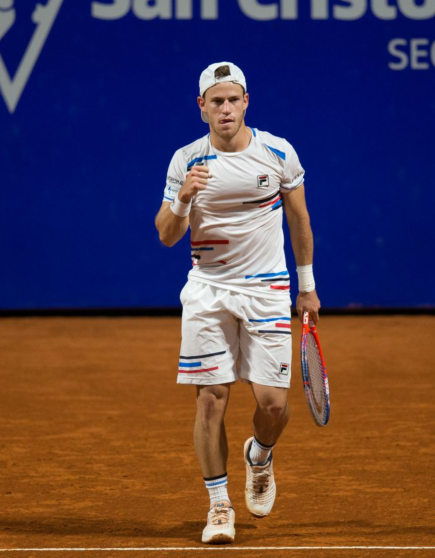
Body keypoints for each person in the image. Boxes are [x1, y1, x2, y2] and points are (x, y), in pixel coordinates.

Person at [154, 62, 321, 544]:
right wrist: (183, 199)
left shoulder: (278, 152)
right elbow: (166, 236)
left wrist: (306, 287)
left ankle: (260, 456)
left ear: (246, 102)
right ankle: (219, 505)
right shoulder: (185, 160)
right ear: (201, 106)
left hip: (268, 288)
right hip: (208, 290)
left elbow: (300, 222)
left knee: (272, 406)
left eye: (233, 99)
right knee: (211, 400)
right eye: (216, 101)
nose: (225, 109)